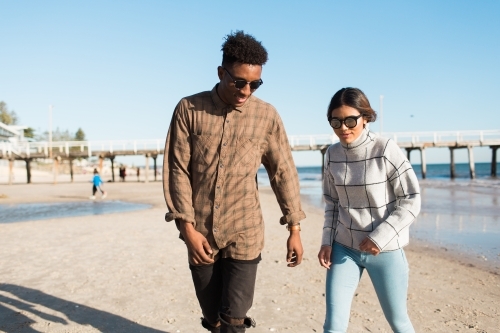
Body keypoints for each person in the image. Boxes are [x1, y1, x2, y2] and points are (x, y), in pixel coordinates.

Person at [162, 31, 305, 333]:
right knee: (212, 316)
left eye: (255, 84)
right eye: (239, 82)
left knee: (234, 319)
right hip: (200, 233)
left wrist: (294, 228)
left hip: (246, 230)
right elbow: (177, 171)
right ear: (220, 72)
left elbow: (283, 172)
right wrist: (187, 230)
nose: (246, 91)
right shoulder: (189, 109)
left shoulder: (266, 116)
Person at [317, 87, 421, 333]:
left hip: (384, 251)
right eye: (336, 121)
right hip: (345, 249)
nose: (343, 128)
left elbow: (411, 198)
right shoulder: (331, 154)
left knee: (398, 321)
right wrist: (326, 242)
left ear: (365, 117)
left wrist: (380, 237)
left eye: (350, 120)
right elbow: (332, 203)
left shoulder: (385, 149)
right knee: (333, 326)